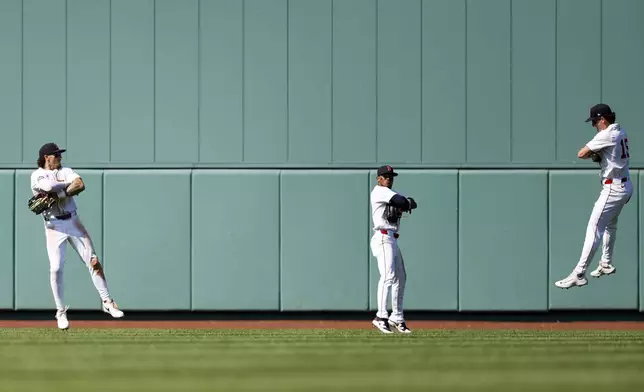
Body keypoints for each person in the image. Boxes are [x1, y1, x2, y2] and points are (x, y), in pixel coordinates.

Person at [30, 143, 124, 329]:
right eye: (56, 155)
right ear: (46, 157)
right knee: (56, 269)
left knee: (93, 261)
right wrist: (67, 186)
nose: (60, 157)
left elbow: (80, 184)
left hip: (73, 221)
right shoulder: (37, 174)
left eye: (59, 154)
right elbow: (47, 185)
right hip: (53, 226)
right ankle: (61, 312)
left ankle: (107, 302)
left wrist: (59, 193)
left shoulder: (66, 170)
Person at [555, 104, 633, 289]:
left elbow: (581, 153)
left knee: (594, 228)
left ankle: (578, 273)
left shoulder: (606, 134)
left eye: (595, 122)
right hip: (626, 185)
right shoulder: (620, 130)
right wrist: (599, 154)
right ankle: (605, 262)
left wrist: (593, 153)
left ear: (603, 120)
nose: (594, 126)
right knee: (610, 226)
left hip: (613, 188)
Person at [369, 165, 417, 333]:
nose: (389, 178)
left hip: (391, 239)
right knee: (388, 276)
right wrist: (406, 202)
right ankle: (381, 317)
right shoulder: (380, 191)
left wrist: (406, 203)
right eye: (385, 176)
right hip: (383, 238)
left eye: (391, 176)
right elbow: (403, 202)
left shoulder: (388, 194)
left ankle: (396, 317)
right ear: (378, 178)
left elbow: (409, 203)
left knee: (400, 277)